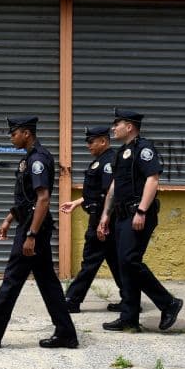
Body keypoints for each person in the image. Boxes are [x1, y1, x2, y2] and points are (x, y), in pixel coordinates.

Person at [0, 116, 78, 349]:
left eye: (14, 133)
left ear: (26, 133)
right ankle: (66, 333)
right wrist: (8, 220)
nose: (11, 137)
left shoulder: (38, 160)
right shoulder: (28, 160)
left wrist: (31, 235)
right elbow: (26, 200)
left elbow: (43, 199)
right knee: (48, 282)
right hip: (30, 225)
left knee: (12, 279)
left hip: (33, 229)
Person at [97, 108, 183, 332]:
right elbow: (114, 186)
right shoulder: (120, 152)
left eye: (117, 124)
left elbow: (152, 180)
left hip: (138, 214)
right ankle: (129, 317)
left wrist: (142, 211)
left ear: (130, 126)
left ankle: (168, 303)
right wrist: (105, 215)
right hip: (122, 215)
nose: (113, 128)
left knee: (129, 261)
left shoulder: (144, 149)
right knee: (125, 266)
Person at [59, 125, 124, 313]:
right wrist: (78, 202)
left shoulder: (108, 162)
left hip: (102, 220)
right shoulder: (102, 160)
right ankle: (130, 299)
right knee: (116, 262)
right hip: (103, 217)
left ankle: (72, 299)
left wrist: (104, 221)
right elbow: (97, 193)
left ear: (103, 141)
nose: (88, 146)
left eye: (91, 142)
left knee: (90, 261)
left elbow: (109, 194)